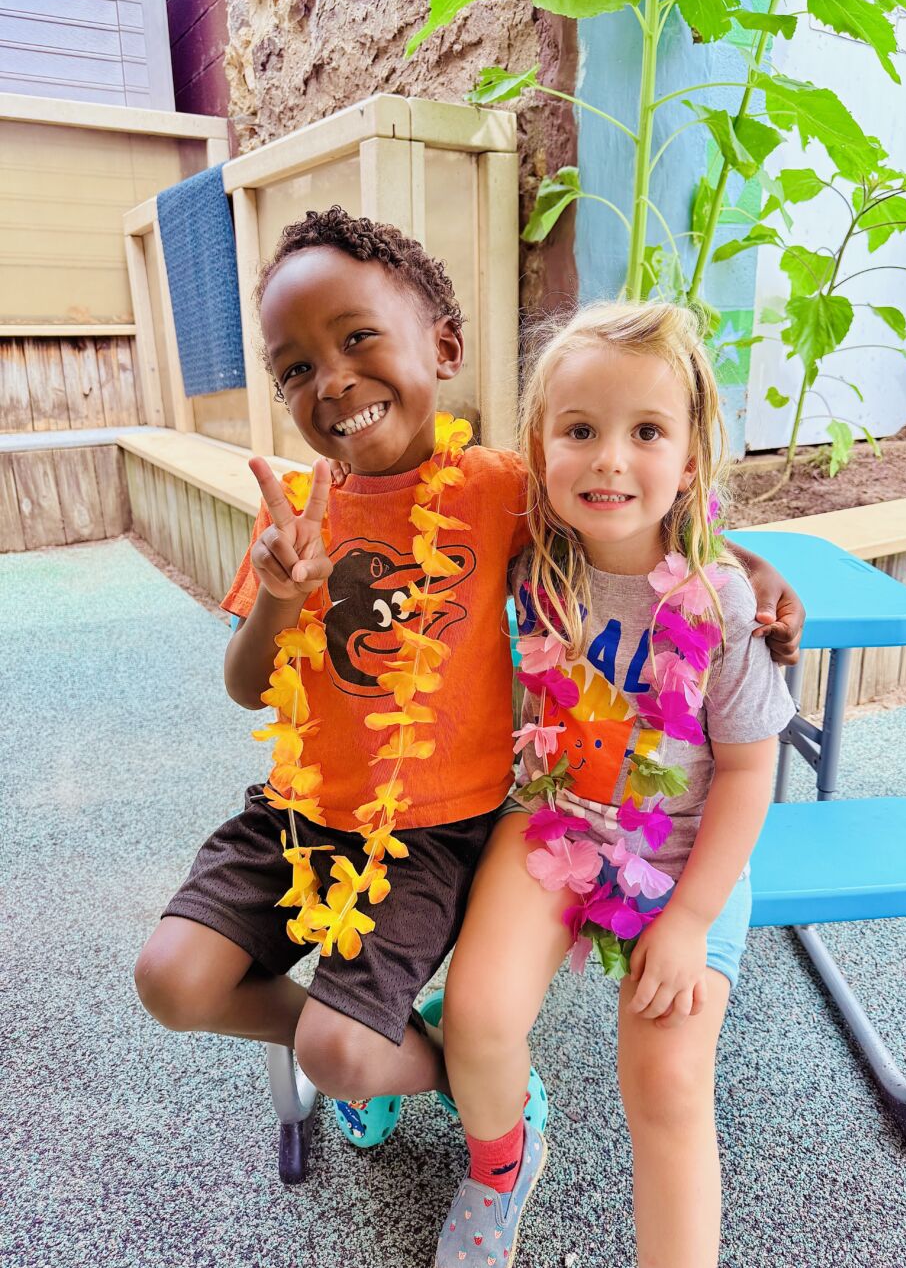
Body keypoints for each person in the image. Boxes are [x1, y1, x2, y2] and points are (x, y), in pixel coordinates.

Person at [133, 207, 801, 1170]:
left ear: (441, 345)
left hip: (431, 830)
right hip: (298, 812)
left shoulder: (495, 487)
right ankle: (443, 1061)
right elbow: (247, 685)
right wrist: (280, 598)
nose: (332, 380)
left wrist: (748, 564)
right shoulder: (296, 516)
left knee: (339, 1048)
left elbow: (621, 500)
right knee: (172, 981)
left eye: (357, 338)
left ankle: (394, 1054)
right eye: (293, 367)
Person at [433, 302, 797, 1268]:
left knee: (667, 1085)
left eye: (646, 432)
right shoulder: (531, 564)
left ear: (690, 458)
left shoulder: (718, 601)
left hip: (686, 860)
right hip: (556, 822)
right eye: (580, 430)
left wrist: (688, 919)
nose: (608, 459)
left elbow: (754, 768)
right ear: (539, 447)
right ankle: (504, 1161)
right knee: (477, 1015)